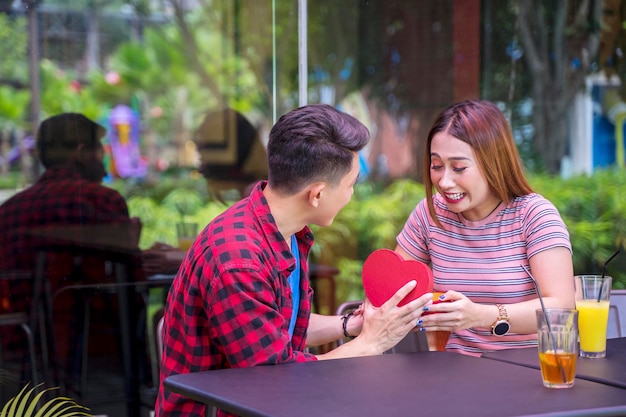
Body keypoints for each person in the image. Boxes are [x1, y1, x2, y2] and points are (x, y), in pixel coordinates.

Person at [156, 104, 433, 417]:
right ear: (316, 194)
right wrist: (371, 343)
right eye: (351, 184)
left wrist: (352, 325)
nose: (351, 194)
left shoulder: (284, 230)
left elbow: (277, 329)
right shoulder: (238, 260)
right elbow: (277, 379)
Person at [395, 99, 575, 356]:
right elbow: (395, 287)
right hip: (454, 375)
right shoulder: (429, 213)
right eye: (436, 166)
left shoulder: (534, 215)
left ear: (493, 163)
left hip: (529, 373)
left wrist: (481, 316)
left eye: (459, 168)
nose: (444, 181)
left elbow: (562, 308)